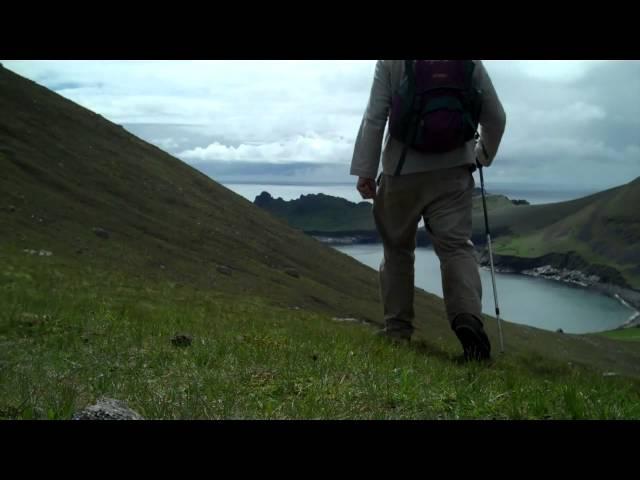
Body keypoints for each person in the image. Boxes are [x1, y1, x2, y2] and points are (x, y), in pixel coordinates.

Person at [350, 60, 506, 360]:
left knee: (397, 250)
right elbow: (496, 117)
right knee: (456, 248)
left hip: (401, 171)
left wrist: (365, 171)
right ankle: (468, 320)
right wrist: (482, 155)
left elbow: (375, 116)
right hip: (454, 171)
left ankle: (397, 333)